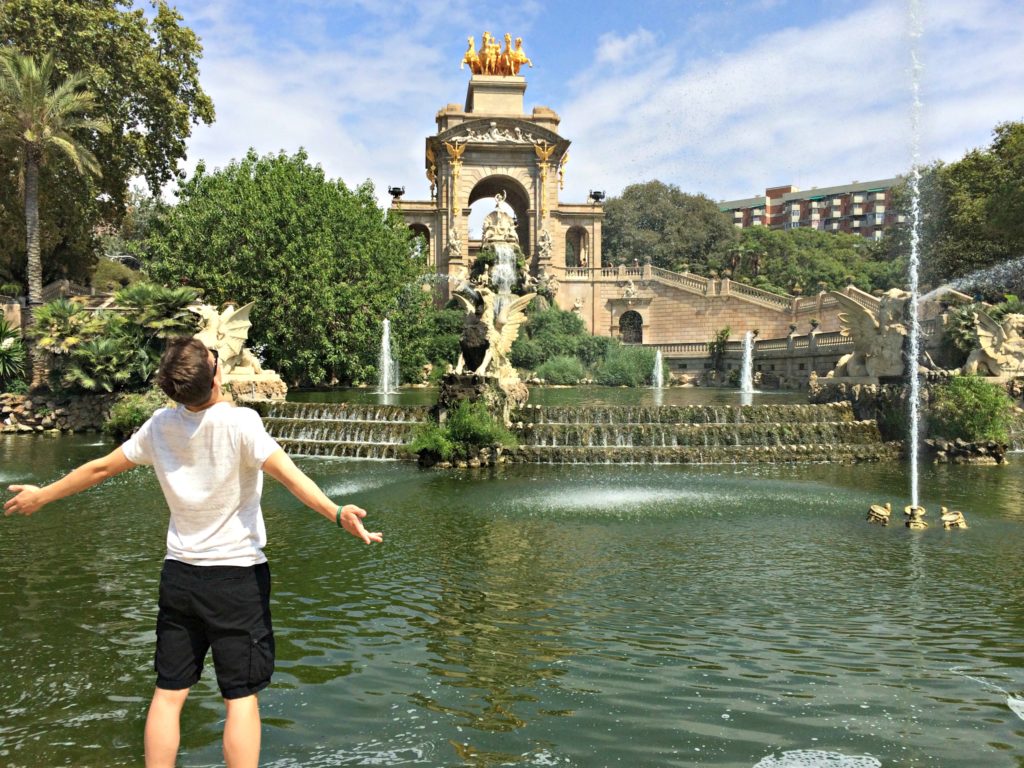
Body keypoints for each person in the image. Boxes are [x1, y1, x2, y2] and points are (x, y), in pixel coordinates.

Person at [4, 338, 382, 768]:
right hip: (237, 579)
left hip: (180, 577)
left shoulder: (160, 426)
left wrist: (43, 495)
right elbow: (292, 479)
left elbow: (100, 468)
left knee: (168, 694)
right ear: (217, 376)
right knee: (240, 698)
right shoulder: (243, 423)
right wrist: (336, 513)